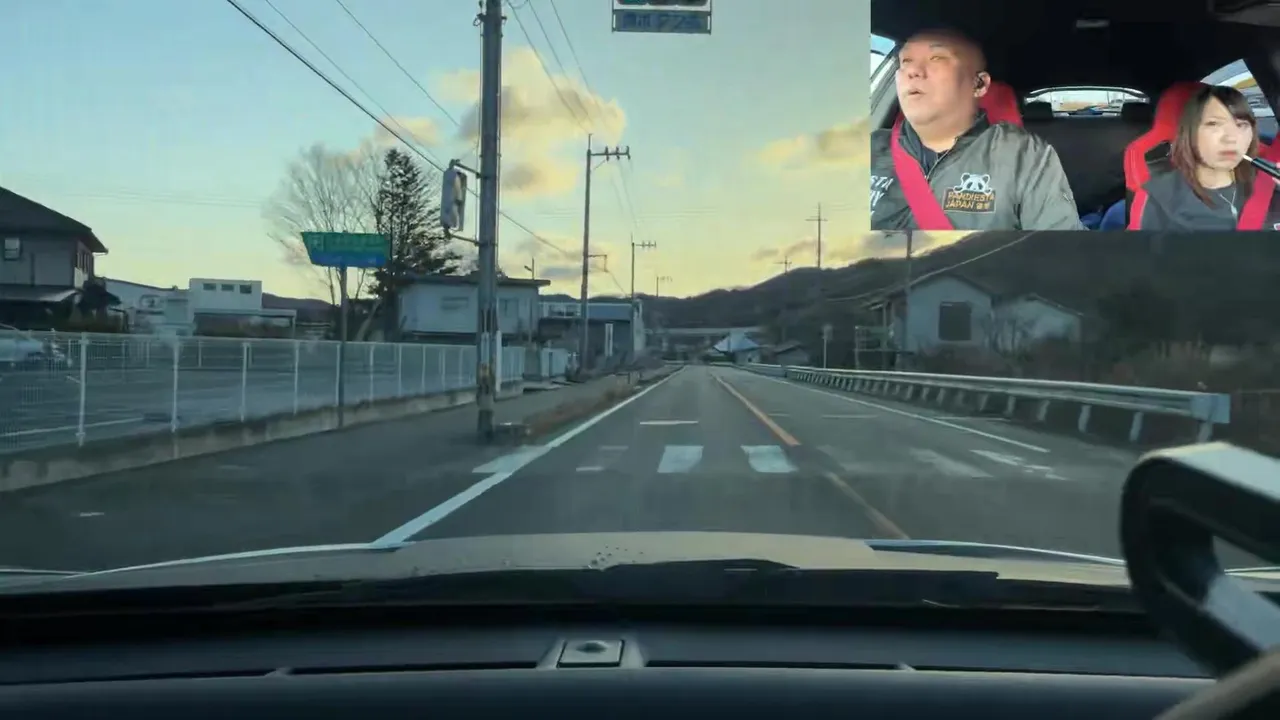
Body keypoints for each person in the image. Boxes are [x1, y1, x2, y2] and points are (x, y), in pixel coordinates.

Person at [869, 29, 1084, 231]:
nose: (912, 71)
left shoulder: (1024, 156)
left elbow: (1058, 250)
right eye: (905, 61)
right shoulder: (867, 149)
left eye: (937, 58)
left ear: (979, 84)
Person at [1131, 84, 1280, 231]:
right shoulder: (1158, 198)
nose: (1231, 138)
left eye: (1241, 125)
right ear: (1191, 133)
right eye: (1213, 124)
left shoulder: (1270, 180)